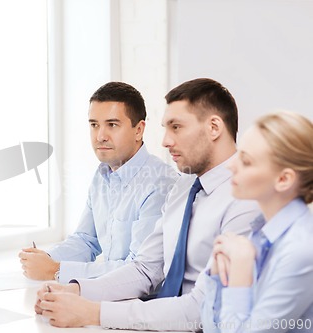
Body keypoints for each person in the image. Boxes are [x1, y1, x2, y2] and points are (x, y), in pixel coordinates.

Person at [35, 78, 261, 331]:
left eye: (176, 127)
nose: (165, 141)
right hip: (161, 320)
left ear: (214, 127)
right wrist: (75, 290)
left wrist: (95, 312)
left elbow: (204, 308)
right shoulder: (184, 187)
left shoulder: (248, 201)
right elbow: (145, 269)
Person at [19, 81, 179, 283]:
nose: (100, 136)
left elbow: (139, 271)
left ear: (138, 130)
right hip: (106, 294)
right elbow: (86, 240)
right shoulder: (103, 174)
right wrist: (46, 259)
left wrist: (56, 270)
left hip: (140, 303)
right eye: (94, 125)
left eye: (112, 125)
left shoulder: (160, 184)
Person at [201, 111, 313, 333]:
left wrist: (240, 273)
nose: (230, 166)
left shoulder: (302, 250)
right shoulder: (257, 234)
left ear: (283, 179)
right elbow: (211, 326)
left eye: (246, 161)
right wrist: (215, 273)